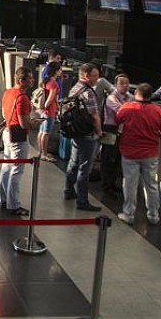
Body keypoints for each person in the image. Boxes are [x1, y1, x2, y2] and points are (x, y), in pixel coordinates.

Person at [115, 83, 161, 225]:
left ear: (136, 93)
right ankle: (153, 216)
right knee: (151, 185)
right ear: (151, 95)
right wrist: (156, 135)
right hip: (150, 153)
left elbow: (116, 120)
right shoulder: (158, 111)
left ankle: (128, 215)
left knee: (130, 184)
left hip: (129, 152)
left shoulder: (127, 108)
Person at [63, 63, 103, 211]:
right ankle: (82, 201)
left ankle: (68, 190)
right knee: (85, 168)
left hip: (76, 132)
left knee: (73, 162)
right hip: (87, 134)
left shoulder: (74, 88)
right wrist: (99, 132)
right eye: (95, 76)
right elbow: (95, 116)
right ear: (86, 76)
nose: (97, 79)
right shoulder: (88, 92)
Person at [0, 66, 35, 216]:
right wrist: (34, 123)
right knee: (16, 170)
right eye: (30, 78)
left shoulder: (8, 92)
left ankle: (4, 199)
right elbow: (23, 123)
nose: (33, 80)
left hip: (7, 131)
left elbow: (4, 113)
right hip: (18, 137)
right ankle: (13, 205)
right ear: (21, 80)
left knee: (6, 167)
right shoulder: (23, 98)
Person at [101, 74, 133, 196]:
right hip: (110, 129)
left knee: (118, 158)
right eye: (122, 83)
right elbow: (123, 111)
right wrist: (131, 108)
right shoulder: (111, 98)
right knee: (108, 158)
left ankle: (113, 183)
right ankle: (106, 186)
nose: (125, 86)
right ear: (115, 85)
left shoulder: (130, 96)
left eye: (127, 83)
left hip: (123, 130)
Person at [36, 61, 61, 163]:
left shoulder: (45, 81)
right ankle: (44, 154)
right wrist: (47, 108)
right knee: (46, 133)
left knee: (41, 131)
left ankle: (40, 151)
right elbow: (51, 99)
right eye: (59, 69)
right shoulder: (54, 84)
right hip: (49, 111)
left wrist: (41, 109)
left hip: (42, 111)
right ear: (56, 71)